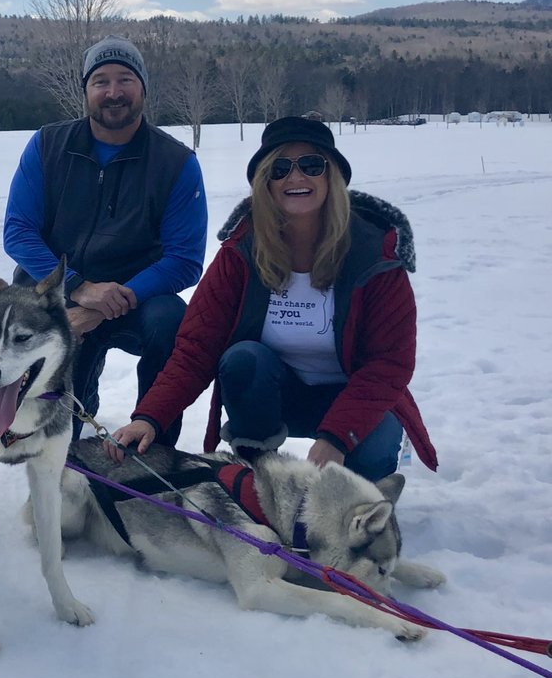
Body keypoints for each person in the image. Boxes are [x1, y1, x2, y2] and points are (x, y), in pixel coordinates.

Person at [111, 116, 438, 481]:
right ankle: (259, 475)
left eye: (311, 165)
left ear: (332, 176)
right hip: (273, 395)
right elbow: (196, 347)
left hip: (353, 399)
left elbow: (388, 364)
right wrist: (149, 417)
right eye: (279, 169)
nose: (295, 178)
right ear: (264, 183)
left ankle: (359, 486)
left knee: (374, 446)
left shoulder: (376, 255)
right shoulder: (241, 252)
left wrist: (337, 437)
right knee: (242, 360)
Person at [3, 35, 207, 445]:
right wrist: (78, 288)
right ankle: (68, 409)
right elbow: (19, 232)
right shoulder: (47, 146)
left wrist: (110, 301)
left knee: (171, 321)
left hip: (137, 298)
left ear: (143, 88)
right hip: (55, 291)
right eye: (101, 81)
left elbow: (184, 259)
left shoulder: (175, 162)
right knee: (56, 438)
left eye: (125, 79)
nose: (113, 92)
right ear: (86, 90)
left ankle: (154, 440)